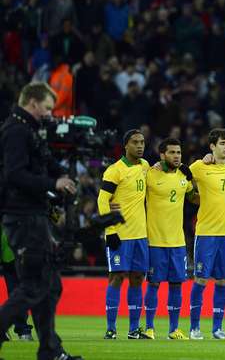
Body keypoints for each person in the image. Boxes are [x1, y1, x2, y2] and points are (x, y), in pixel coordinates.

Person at [0, 82, 83, 360]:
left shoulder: (29, 130)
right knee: (35, 286)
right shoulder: (16, 131)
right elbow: (14, 175)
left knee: (50, 286)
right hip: (23, 216)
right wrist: (53, 182)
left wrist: (60, 175)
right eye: (47, 108)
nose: (49, 114)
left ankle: (50, 350)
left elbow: (42, 163)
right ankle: (48, 350)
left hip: (32, 215)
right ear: (32, 103)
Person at [188, 128, 225, 340]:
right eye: (222, 143)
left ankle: (217, 328)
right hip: (206, 234)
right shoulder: (200, 166)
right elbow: (179, 173)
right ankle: (194, 328)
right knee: (201, 279)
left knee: (222, 281)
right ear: (212, 146)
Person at [98, 129, 151, 340]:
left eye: (142, 142)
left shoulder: (146, 166)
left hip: (140, 234)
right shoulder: (114, 170)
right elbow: (103, 200)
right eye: (135, 142)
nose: (140, 146)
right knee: (117, 277)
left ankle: (133, 330)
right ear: (125, 145)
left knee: (137, 278)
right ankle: (111, 328)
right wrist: (109, 229)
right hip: (120, 234)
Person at [143, 138, 196, 340]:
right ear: (162, 154)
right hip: (155, 241)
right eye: (172, 152)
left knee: (176, 284)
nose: (176, 156)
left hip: (178, 243)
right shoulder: (150, 174)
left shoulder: (184, 176)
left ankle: (174, 329)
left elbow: (194, 197)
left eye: (179, 153)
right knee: (154, 284)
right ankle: (149, 328)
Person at [1, 225, 34, 340]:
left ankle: (21, 329)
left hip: (11, 254)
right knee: (20, 292)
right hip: (15, 253)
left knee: (17, 292)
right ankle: (22, 329)